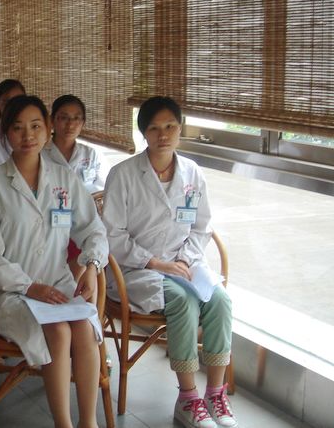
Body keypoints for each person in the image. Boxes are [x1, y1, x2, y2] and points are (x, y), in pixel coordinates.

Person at [0, 95, 108, 428]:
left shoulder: (65, 179)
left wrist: (91, 266)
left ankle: (88, 422)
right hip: (9, 292)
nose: (27, 135)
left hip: (57, 284)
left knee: (84, 329)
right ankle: (64, 423)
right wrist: (30, 287)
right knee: (58, 332)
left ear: (48, 129)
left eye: (35, 126)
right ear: (6, 133)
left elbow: (93, 229)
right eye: (17, 128)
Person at [102, 96, 237, 428]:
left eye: (170, 126)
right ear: (143, 132)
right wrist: (157, 264)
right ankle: (188, 398)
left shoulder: (192, 172)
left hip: (184, 262)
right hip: (135, 269)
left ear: (180, 128)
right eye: (154, 128)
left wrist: (184, 259)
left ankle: (215, 394)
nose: (163, 135)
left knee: (220, 300)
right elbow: (113, 235)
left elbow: (202, 226)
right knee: (182, 300)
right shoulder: (123, 174)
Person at [43, 95, 103, 281]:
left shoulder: (89, 154)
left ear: (83, 122)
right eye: (64, 118)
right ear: (52, 120)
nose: (70, 124)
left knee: (88, 257)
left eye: (77, 118)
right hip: (50, 223)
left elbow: (100, 190)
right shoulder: (41, 154)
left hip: (82, 220)